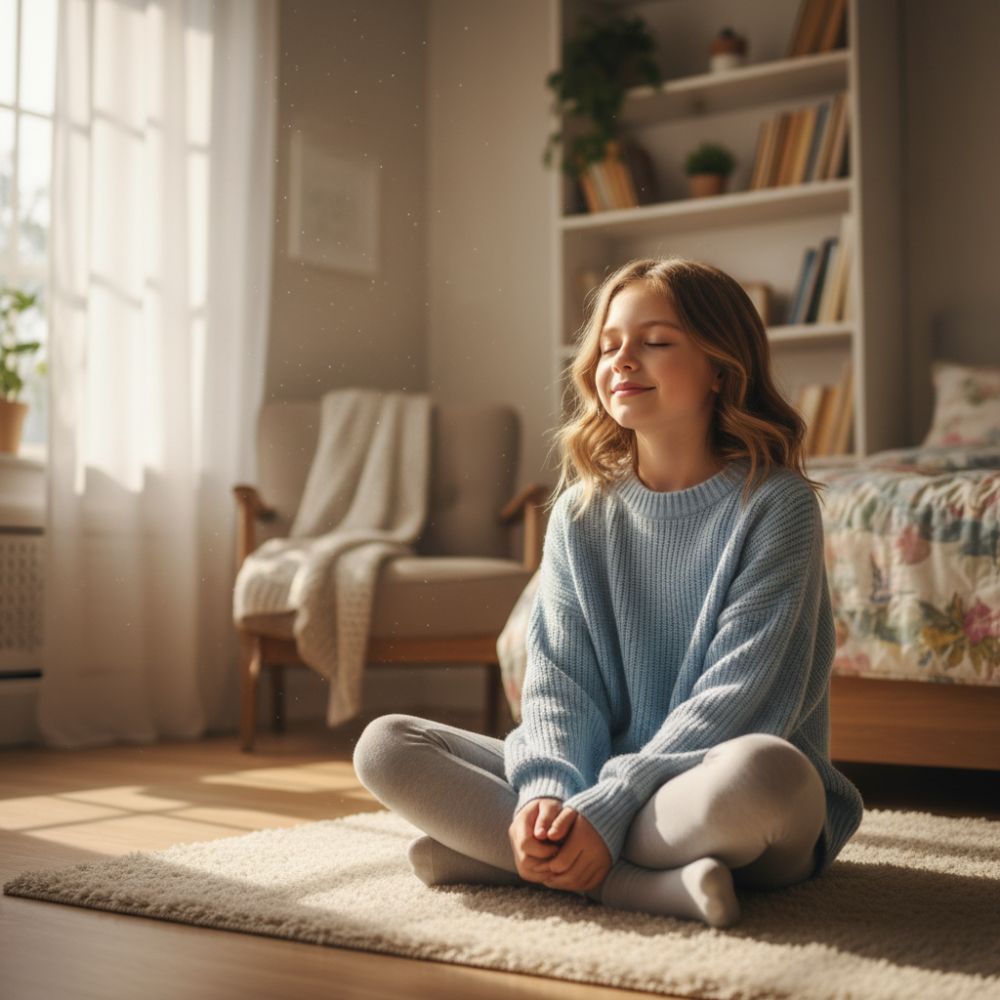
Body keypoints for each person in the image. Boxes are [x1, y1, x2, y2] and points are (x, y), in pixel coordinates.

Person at [352, 256, 864, 928]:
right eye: (609, 344)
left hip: (721, 796)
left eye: (655, 342)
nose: (621, 360)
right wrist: (549, 791)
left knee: (766, 773)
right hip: (599, 786)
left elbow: (742, 701)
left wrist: (610, 805)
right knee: (387, 745)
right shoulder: (579, 512)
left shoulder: (777, 505)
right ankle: (633, 883)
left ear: (720, 367)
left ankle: (510, 858)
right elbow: (560, 684)